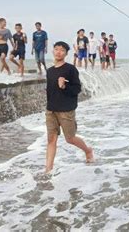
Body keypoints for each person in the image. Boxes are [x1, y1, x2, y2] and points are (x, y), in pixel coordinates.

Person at [45, 41, 94, 174]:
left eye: (61, 50)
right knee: (51, 139)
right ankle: (48, 170)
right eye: (56, 49)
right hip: (51, 110)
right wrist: (48, 106)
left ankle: (88, 150)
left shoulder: (70, 69)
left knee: (70, 139)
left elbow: (77, 89)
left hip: (66, 110)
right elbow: (49, 91)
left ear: (66, 53)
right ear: (53, 51)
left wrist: (64, 86)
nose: (58, 52)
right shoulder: (49, 71)